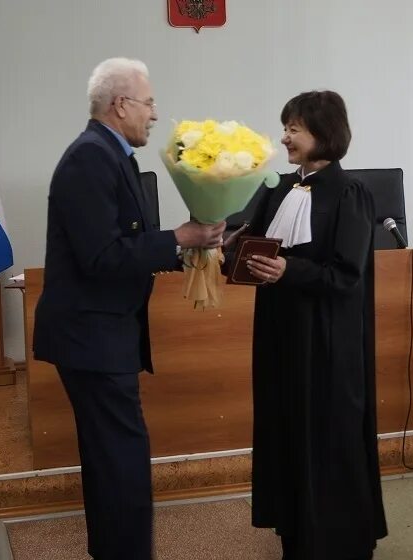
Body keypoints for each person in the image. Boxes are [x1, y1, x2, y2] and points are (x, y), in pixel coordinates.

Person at [32, 57, 225, 560]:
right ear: (120, 104)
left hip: (101, 335)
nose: (155, 114)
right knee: (122, 462)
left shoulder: (110, 155)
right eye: (149, 102)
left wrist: (188, 248)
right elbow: (102, 256)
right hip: (93, 338)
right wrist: (179, 237)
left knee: (111, 459)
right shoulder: (91, 158)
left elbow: (125, 246)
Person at [233, 91, 387, 559]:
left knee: (329, 436)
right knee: (287, 431)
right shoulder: (278, 188)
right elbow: (249, 247)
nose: (285, 137)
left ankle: (342, 544)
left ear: (324, 132)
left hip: (326, 340)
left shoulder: (352, 193)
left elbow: (347, 275)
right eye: (286, 127)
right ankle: (296, 539)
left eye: (294, 128)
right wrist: (212, 247)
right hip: (281, 335)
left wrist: (289, 271)